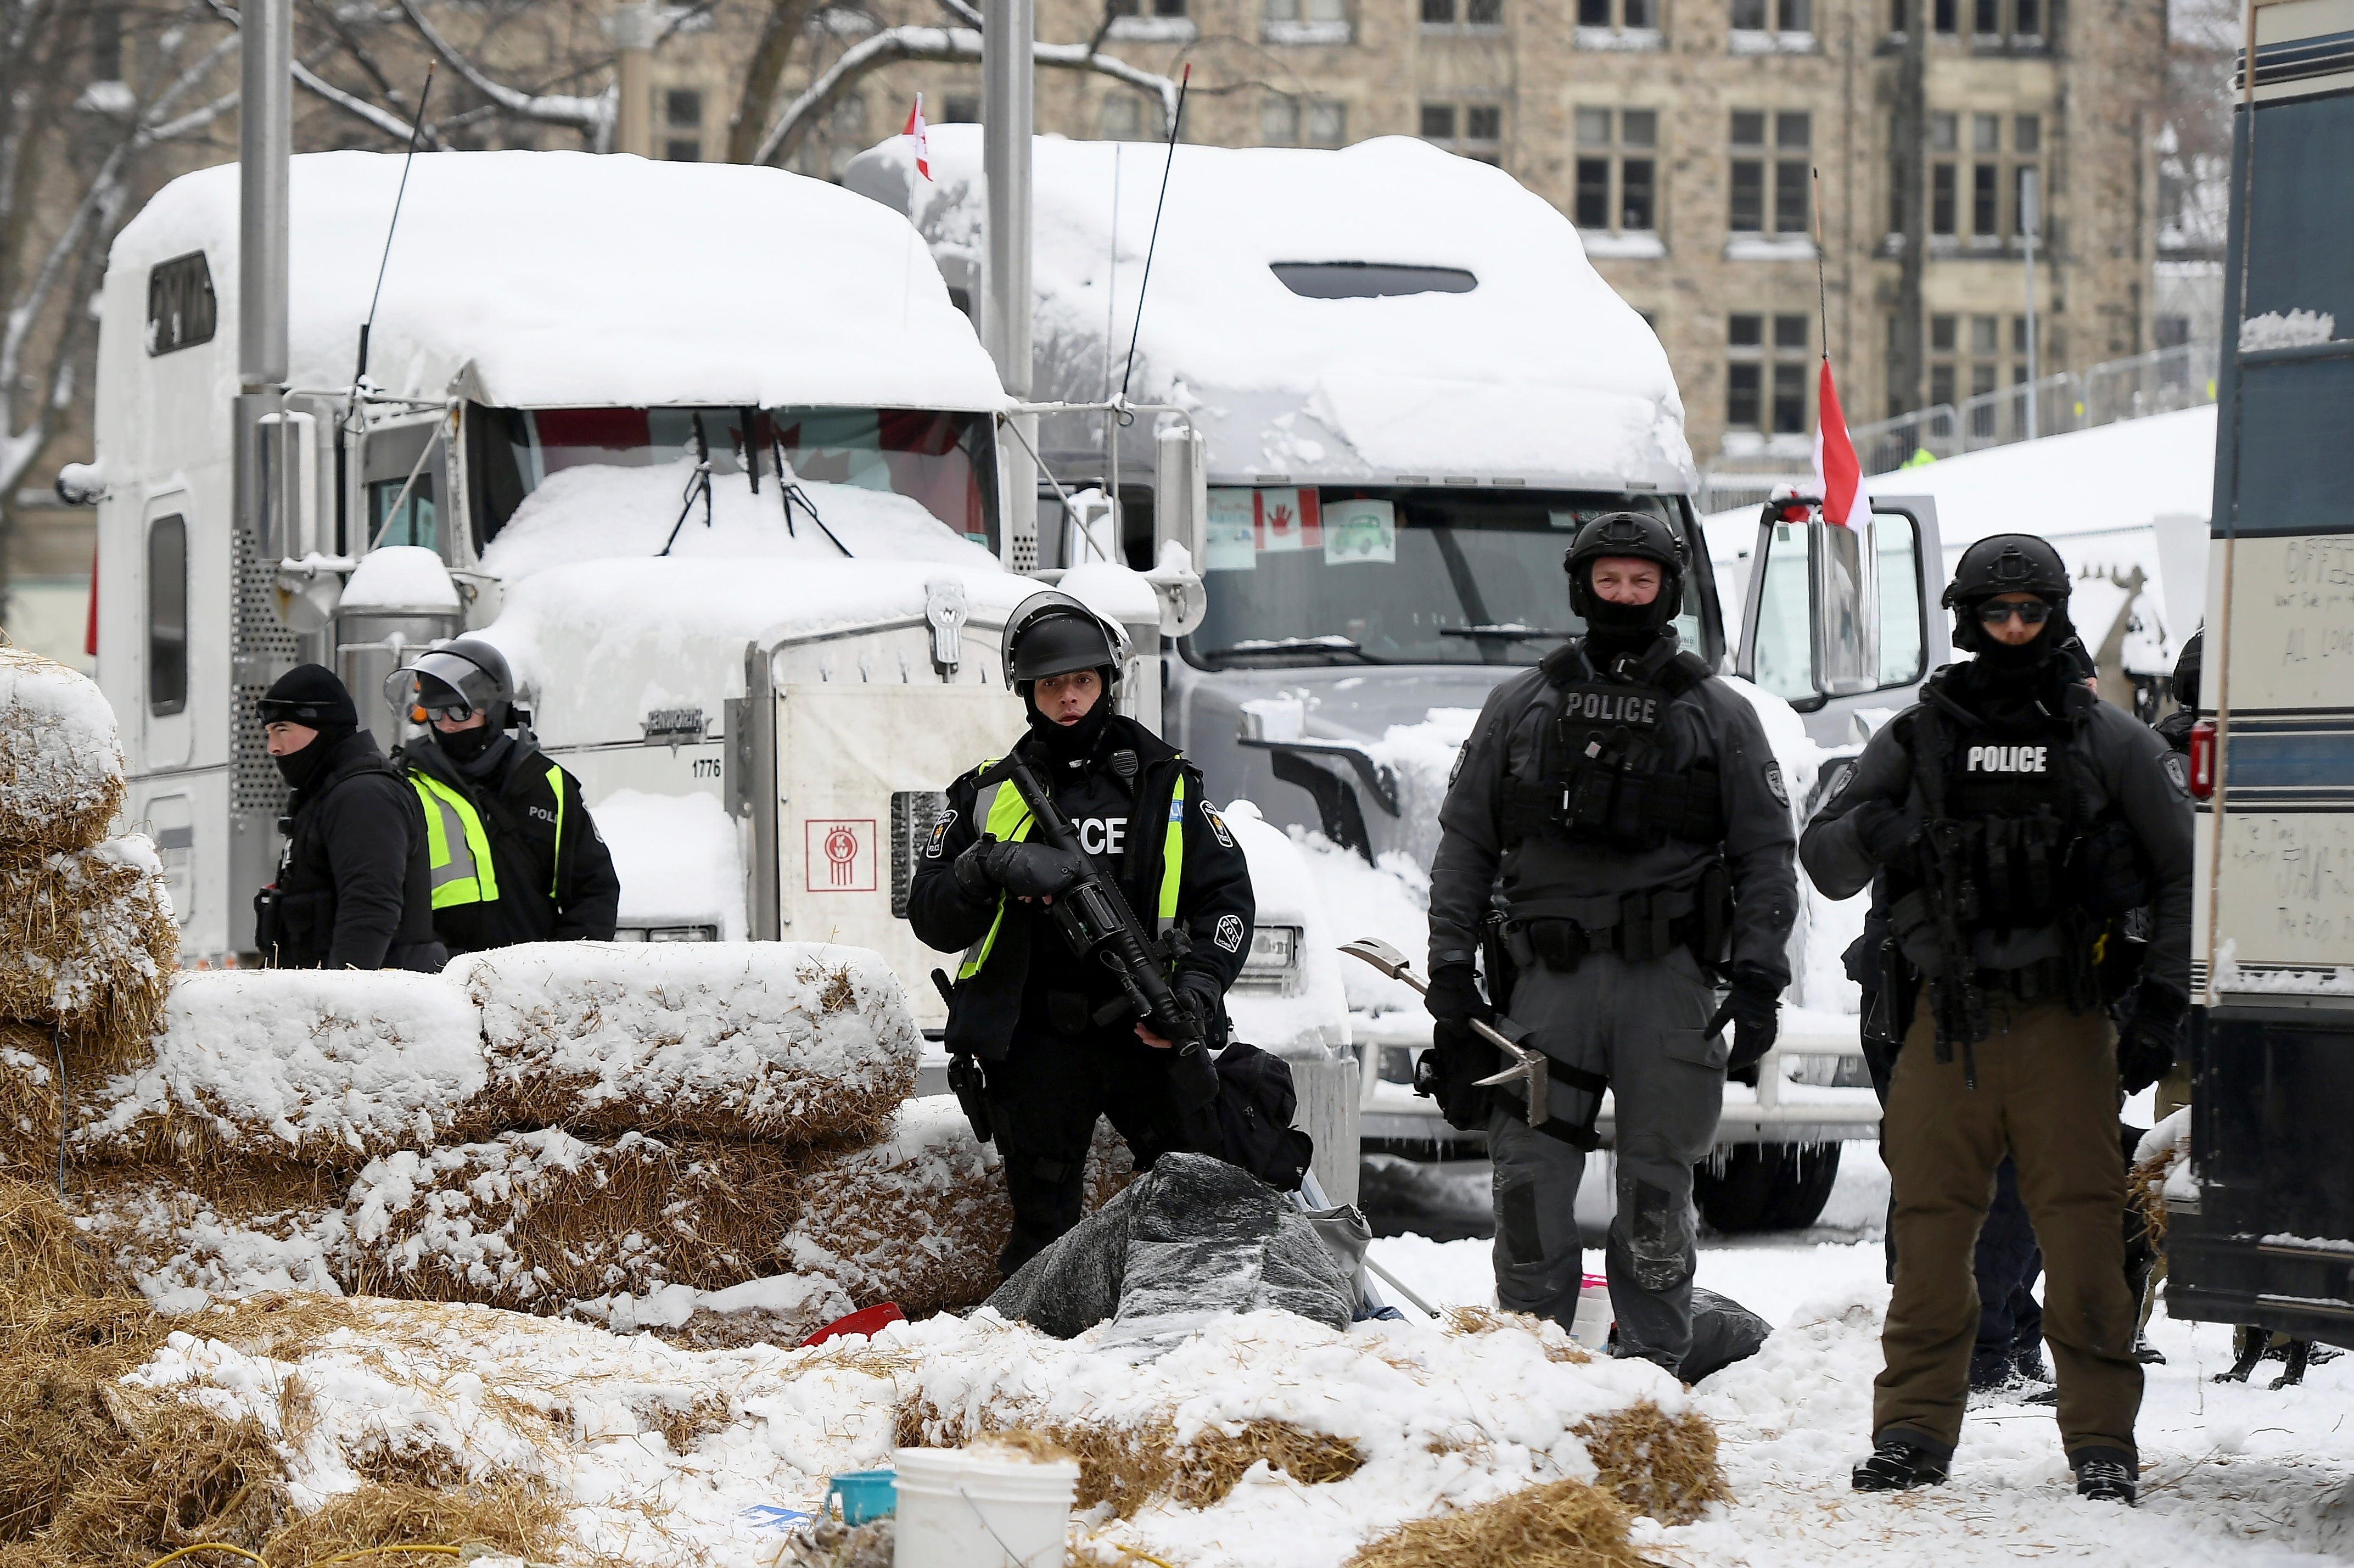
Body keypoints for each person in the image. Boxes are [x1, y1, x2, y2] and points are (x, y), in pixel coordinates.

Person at [1802, 533, 2194, 1505]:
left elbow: (2184, 870)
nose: (2012, 628)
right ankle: (1909, 1434)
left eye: (2028, 611)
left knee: (2082, 1237)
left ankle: (2101, 1440)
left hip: (2066, 1022)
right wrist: (1873, 829)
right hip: (1948, 1023)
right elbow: (1823, 858)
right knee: (1929, 1235)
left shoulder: (2107, 739)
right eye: (1995, 612)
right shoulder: (1920, 734)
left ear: (2054, 616)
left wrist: (2160, 1006)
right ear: (1966, 619)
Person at [1423, 511, 1798, 1375]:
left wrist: (1758, 980)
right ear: (1582, 586)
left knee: (1659, 1191)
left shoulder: (1719, 713)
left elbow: (1766, 855)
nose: (1625, 595)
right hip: (1543, 992)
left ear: (1668, 591)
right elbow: (1466, 846)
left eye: (1641, 581)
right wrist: (1450, 975)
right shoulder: (1520, 704)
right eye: (1609, 580)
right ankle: (1529, 1369)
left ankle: (1654, 1376)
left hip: (1668, 990)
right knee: (1528, 1188)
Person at [907, 592, 1256, 1276]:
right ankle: (1035, 1368)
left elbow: (1228, 900)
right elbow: (928, 913)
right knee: (1042, 1231)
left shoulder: (1168, 784)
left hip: (1146, 1028)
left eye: (1082, 681)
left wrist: (1200, 988)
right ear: (1028, 695)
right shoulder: (986, 793)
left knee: (1199, 1210)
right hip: (1037, 1041)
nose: (1068, 699)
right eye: (1050, 686)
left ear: (1106, 684)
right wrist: (987, 866)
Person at [386, 638, 620, 956]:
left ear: (493, 710)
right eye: (436, 713)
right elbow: (379, 896)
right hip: (441, 988)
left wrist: (566, 968)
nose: (447, 726)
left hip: (538, 988)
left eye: (459, 711)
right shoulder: (406, 788)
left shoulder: (549, 785)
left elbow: (594, 889)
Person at [255, 664, 446, 972]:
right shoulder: (329, 794)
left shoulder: (364, 796)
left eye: (282, 730)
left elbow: (369, 911)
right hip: (326, 1001)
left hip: (371, 1006)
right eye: (269, 733)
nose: (273, 748)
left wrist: (340, 1008)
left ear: (322, 726)